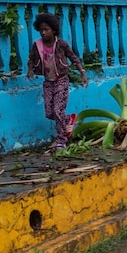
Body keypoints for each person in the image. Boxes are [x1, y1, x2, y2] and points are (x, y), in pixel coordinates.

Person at [27, 13, 89, 151]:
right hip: (48, 82)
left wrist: (82, 73)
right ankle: (67, 120)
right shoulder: (37, 45)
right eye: (41, 30)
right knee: (49, 113)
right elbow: (31, 58)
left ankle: (61, 140)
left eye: (46, 30)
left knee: (57, 109)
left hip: (61, 80)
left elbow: (74, 58)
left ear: (54, 30)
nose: (43, 33)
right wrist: (30, 70)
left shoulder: (61, 44)